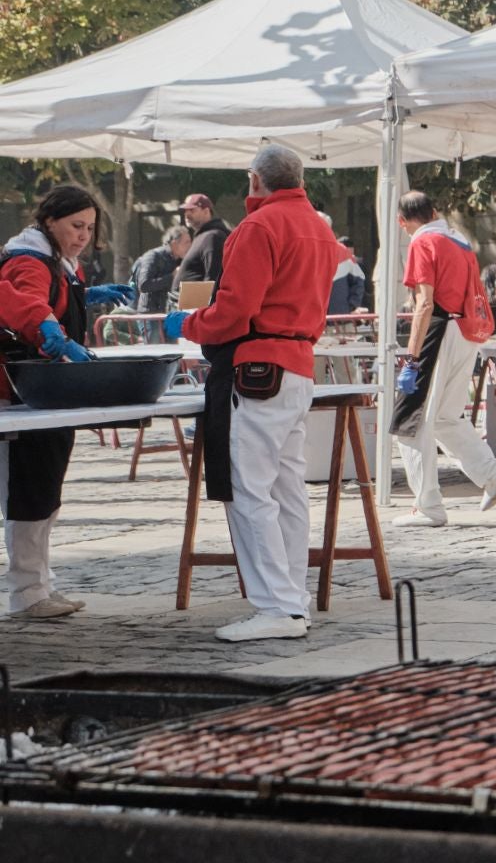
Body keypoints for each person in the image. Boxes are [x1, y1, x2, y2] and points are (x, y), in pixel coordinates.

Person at [159, 146, 335, 642]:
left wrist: (188, 322)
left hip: (257, 367)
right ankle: (291, 599)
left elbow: (235, 310)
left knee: (250, 490)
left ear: (254, 179)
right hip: (297, 364)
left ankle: (278, 606)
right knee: (286, 489)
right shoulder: (317, 227)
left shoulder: (260, 227)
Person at [0, 185, 129, 619]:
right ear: (49, 221)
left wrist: (85, 296)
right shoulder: (29, 259)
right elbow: (28, 301)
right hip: (25, 395)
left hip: (48, 395)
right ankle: (28, 593)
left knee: (43, 491)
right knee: (30, 492)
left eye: (90, 228)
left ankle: (38, 586)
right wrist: (49, 328)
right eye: (76, 226)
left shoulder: (59, 263)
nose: (83, 236)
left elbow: (50, 297)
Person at [387, 192, 496, 527]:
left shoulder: (422, 242)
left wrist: (411, 358)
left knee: (409, 421)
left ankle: (428, 505)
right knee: (444, 416)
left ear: (403, 222)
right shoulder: (459, 241)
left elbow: (424, 303)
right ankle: (489, 472)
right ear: (434, 210)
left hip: (439, 330)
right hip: (465, 330)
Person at [132, 224, 191, 336]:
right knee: (155, 352)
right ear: (174, 243)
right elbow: (144, 285)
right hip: (151, 317)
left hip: (168, 315)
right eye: (186, 242)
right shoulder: (153, 256)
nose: (190, 246)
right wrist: (172, 276)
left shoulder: (177, 260)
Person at [173, 192, 231, 293]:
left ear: (206, 211)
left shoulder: (213, 236)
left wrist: (206, 307)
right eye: (185, 210)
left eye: (192, 210)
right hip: (186, 304)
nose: (187, 214)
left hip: (195, 305)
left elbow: (213, 277)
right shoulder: (203, 236)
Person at [328, 235, 366, 316]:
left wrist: (351, 307)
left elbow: (359, 282)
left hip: (343, 316)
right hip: (326, 318)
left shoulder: (347, 259)